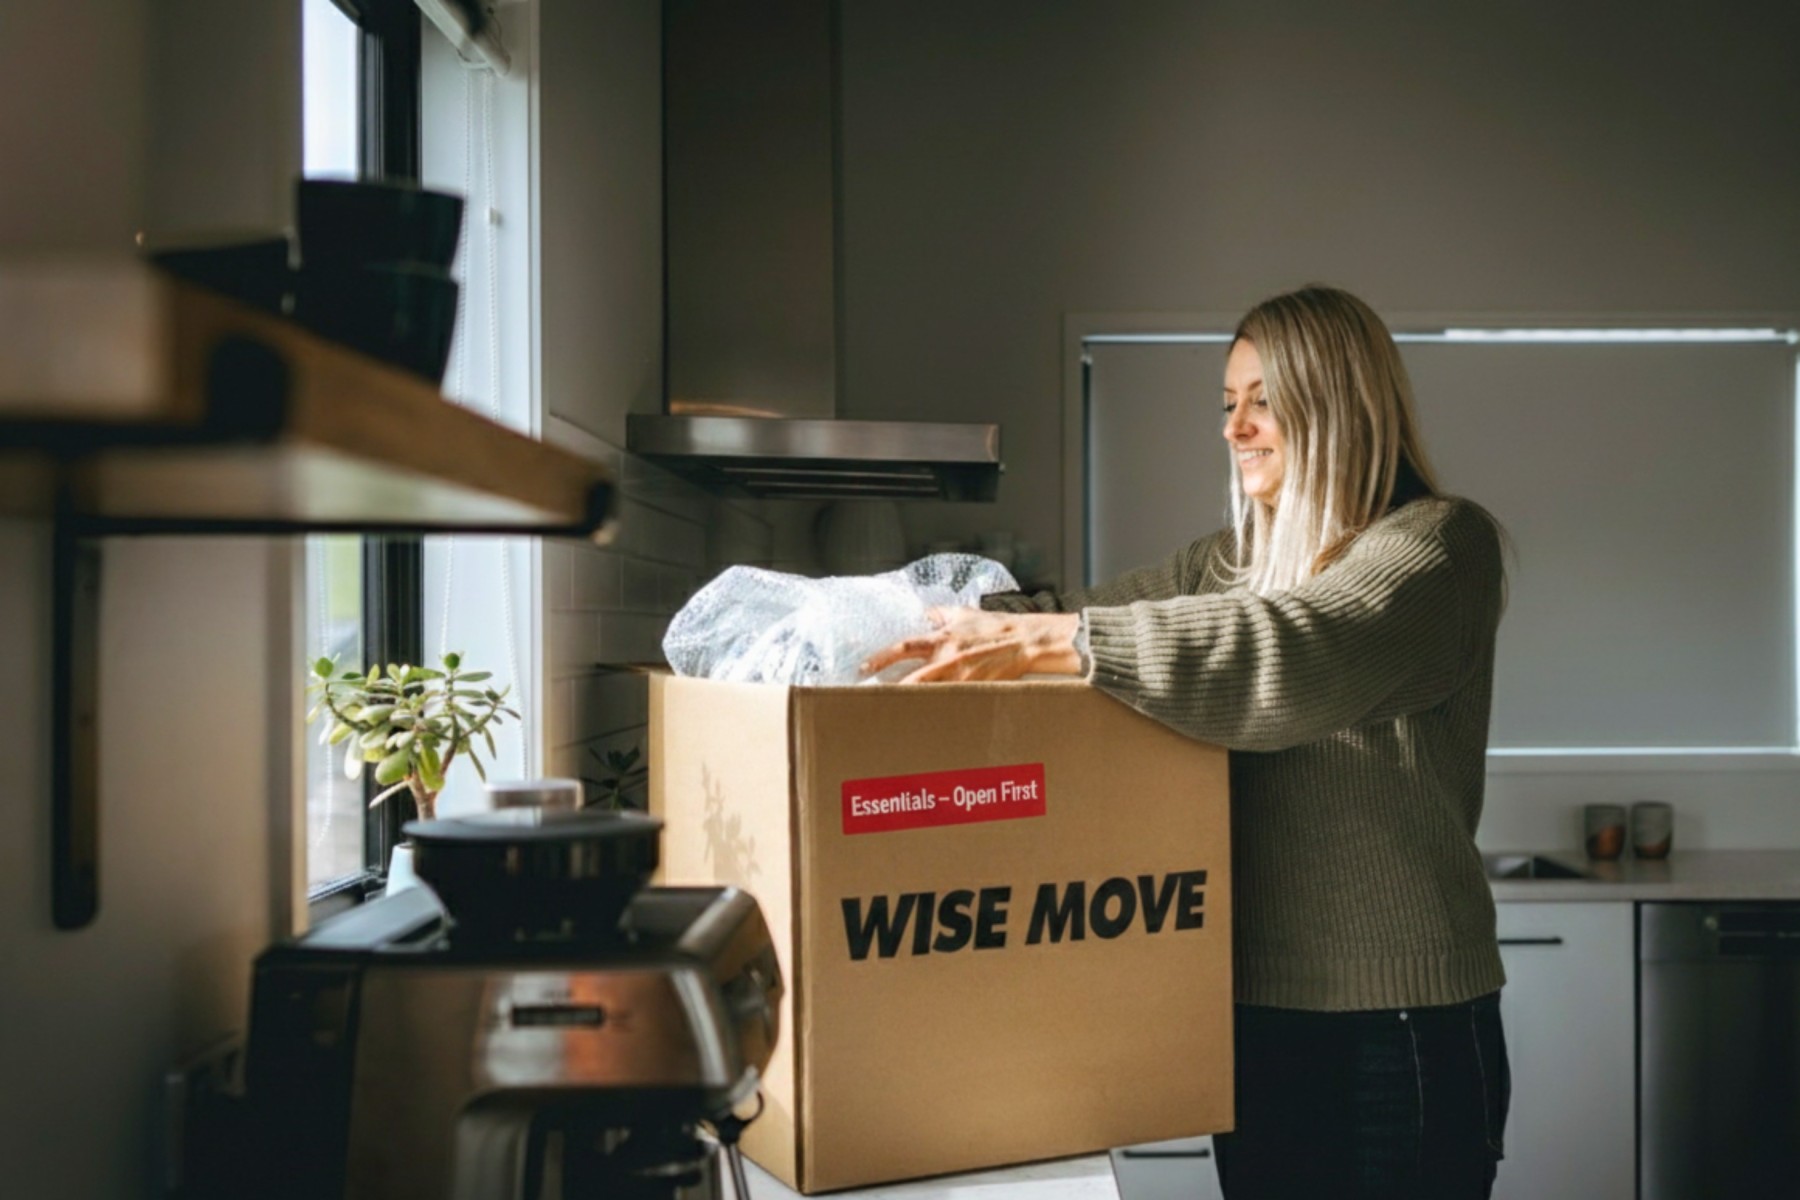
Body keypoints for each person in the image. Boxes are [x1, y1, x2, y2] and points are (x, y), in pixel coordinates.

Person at [863, 285, 1511, 1199]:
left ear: (1339, 399)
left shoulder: (1440, 547)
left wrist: (1056, 646)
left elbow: (1294, 655)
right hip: (1249, 1015)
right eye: (1226, 404)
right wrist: (884, 625)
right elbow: (1076, 611)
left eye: (1262, 400)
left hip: (1398, 1026)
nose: (1235, 427)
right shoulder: (1226, 563)